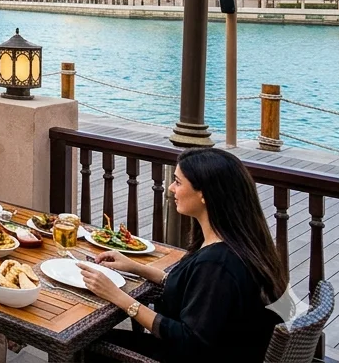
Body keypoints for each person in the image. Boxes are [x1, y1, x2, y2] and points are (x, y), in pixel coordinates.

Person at [78, 147, 287, 362]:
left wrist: (117, 296)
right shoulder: (240, 243)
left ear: (204, 194)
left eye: (178, 182)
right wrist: (136, 267)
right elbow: (196, 291)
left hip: (190, 355)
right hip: (226, 349)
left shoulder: (217, 264)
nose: (170, 188)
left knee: (84, 339)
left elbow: (189, 341)